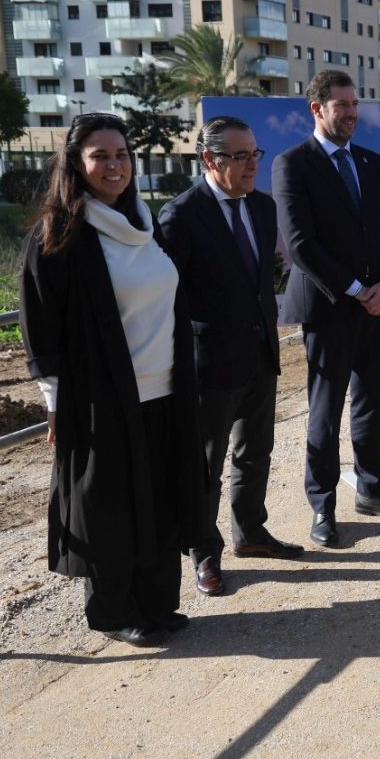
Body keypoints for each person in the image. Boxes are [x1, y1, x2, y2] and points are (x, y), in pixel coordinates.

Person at [19, 112, 205, 647]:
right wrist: (54, 401)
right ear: (76, 165)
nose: (115, 166)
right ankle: (116, 612)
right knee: (112, 508)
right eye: (100, 156)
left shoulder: (143, 224)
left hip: (165, 390)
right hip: (103, 397)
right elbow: (41, 326)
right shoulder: (59, 237)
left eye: (121, 154)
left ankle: (157, 603)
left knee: (162, 498)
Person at [156, 116, 304, 597]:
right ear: (209, 159)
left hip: (259, 354)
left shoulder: (262, 207)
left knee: (255, 452)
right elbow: (167, 299)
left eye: (254, 154)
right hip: (209, 364)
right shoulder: (181, 215)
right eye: (239, 156)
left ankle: (251, 533)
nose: (251, 165)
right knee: (206, 466)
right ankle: (204, 552)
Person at [275, 69, 380, 547]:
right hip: (330, 308)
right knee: (325, 413)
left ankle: (373, 491)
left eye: (355, 104)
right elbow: (300, 244)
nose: (353, 113)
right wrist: (358, 289)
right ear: (317, 109)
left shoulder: (373, 163)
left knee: (372, 405)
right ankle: (323, 506)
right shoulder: (293, 164)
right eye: (343, 105)